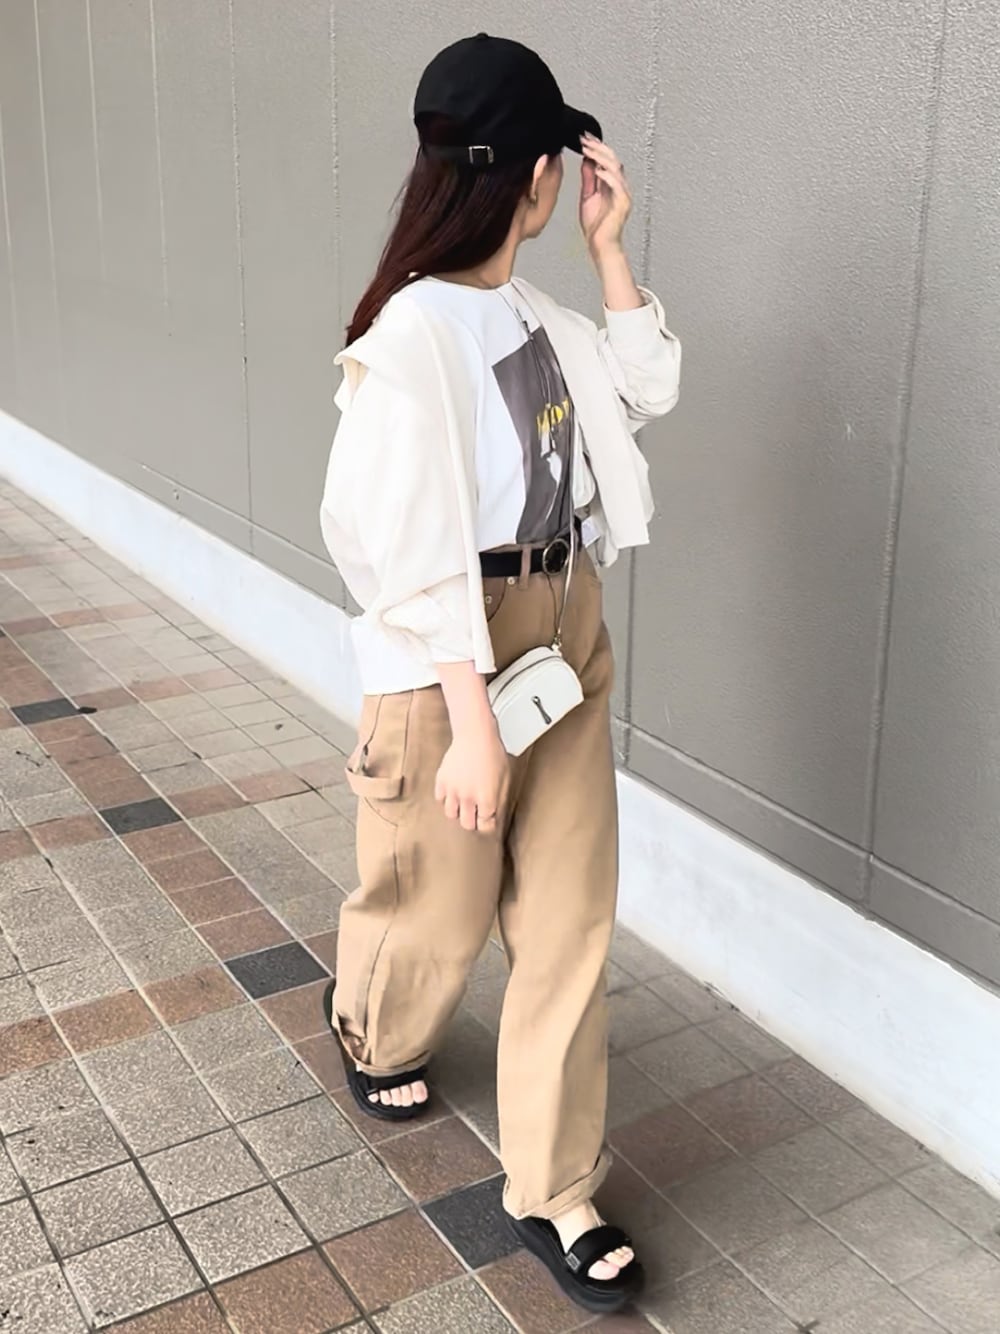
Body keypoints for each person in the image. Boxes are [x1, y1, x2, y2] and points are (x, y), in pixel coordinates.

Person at [320, 32, 681, 1316]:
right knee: (437, 897)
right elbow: (398, 545)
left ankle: (555, 1185)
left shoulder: (540, 319)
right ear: (533, 172)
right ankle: (374, 1025)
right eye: (560, 167)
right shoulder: (410, 335)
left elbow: (646, 389)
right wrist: (472, 723)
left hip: (564, 626)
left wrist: (609, 252)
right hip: (446, 653)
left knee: (569, 914)